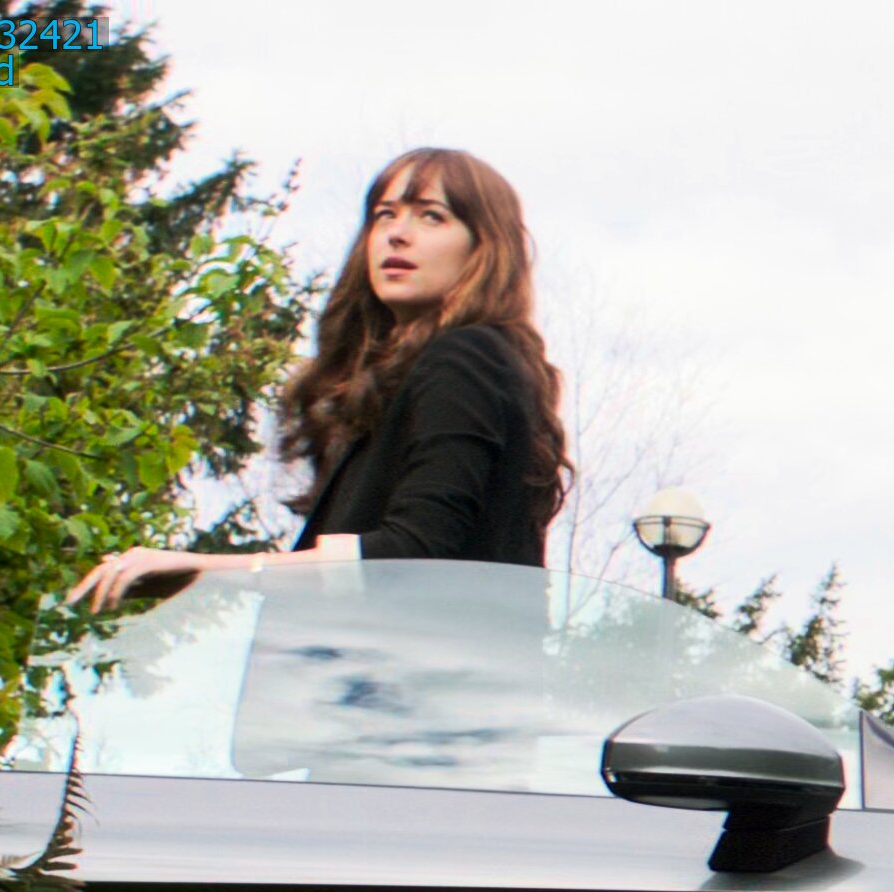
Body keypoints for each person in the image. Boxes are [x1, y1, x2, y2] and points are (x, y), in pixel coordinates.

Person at [68, 148, 567, 609]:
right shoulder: (408, 381)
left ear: (485, 249)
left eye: (431, 216)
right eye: (384, 215)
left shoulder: (468, 356)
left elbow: (414, 552)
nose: (397, 234)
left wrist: (206, 568)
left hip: (418, 672)